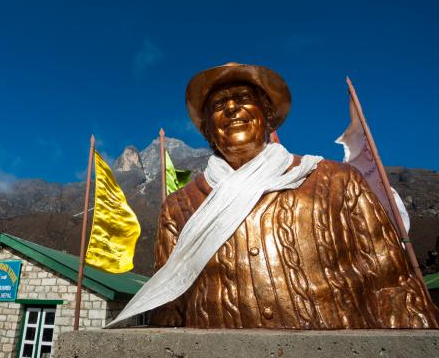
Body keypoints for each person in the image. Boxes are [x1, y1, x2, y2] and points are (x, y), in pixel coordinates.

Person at [108, 63, 439, 329]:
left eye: (243, 99)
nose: (233, 108)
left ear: (266, 115)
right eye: (220, 105)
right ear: (209, 128)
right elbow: (169, 303)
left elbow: (390, 276)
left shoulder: (336, 180)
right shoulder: (179, 207)